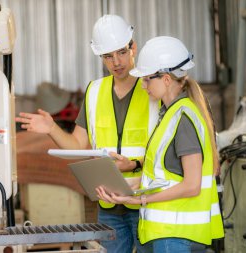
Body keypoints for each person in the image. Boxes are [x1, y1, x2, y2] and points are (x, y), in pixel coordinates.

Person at [15, 15, 159, 253]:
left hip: (145, 199)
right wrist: (52, 128)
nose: (116, 62)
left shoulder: (151, 88)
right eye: (108, 56)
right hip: (109, 202)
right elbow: (78, 145)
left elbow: (164, 148)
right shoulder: (94, 92)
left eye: (121, 52)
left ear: (133, 47)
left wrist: (134, 164)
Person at [96, 36, 225, 253]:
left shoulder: (182, 118)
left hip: (175, 235)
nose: (143, 86)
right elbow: (165, 176)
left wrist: (140, 200)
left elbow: (191, 185)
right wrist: (125, 189)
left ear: (165, 79)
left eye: (147, 80)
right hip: (170, 234)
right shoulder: (171, 115)